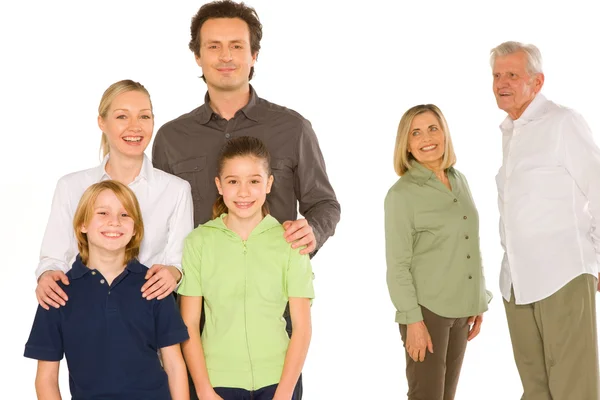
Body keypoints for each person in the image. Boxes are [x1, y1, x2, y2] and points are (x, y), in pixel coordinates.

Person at [152, 2, 339, 398]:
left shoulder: (293, 128)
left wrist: (313, 233)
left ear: (254, 55)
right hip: (197, 315)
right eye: (214, 46)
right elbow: (159, 223)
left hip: (274, 311)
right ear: (197, 56)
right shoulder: (171, 138)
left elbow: (324, 204)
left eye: (237, 46)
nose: (225, 56)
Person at [492, 41, 600, 399]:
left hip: (563, 276)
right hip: (518, 284)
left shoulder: (562, 122)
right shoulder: (511, 131)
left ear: (536, 83)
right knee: (535, 392)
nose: (501, 83)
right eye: (496, 75)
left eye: (512, 75)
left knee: (574, 390)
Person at [35, 79, 194, 310]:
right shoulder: (71, 187)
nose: (135, 126)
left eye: (144, 116)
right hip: (85, 312)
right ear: (102, 122)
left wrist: (173, 273)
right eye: (122, 116)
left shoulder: (176, 190)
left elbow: (178, 261)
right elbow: (54, 257)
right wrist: (47, 275)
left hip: (148, 316)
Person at [24, 180, 190, 400]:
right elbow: (46, 379)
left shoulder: (154, 284)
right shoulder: (58, 292)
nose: (114, 222)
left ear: (135, 229)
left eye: (125, 215)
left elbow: (174, 365)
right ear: (82, 225)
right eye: (102, 213)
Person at [178, 136, 313, 400]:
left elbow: (302, 327)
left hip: (279, 382)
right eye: (233, 181)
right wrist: (204, 390)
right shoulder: (199, 242)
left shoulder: (290, 242)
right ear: (219, 185)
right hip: (217, 382)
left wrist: (284, 393)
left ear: (269, 183)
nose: (243, 192)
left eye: (254, 181)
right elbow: (189, 323)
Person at [384, 104, 491, 400]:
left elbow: (470, 242)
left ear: (445, 133)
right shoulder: (401, 194)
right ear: (406, 144)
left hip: (462, 309)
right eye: (415, 133)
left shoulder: (459, 180)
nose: (426, 138)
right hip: (426, 313)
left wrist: (478, 299)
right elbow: (397, 265)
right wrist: (412, 321)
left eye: (433, 128)